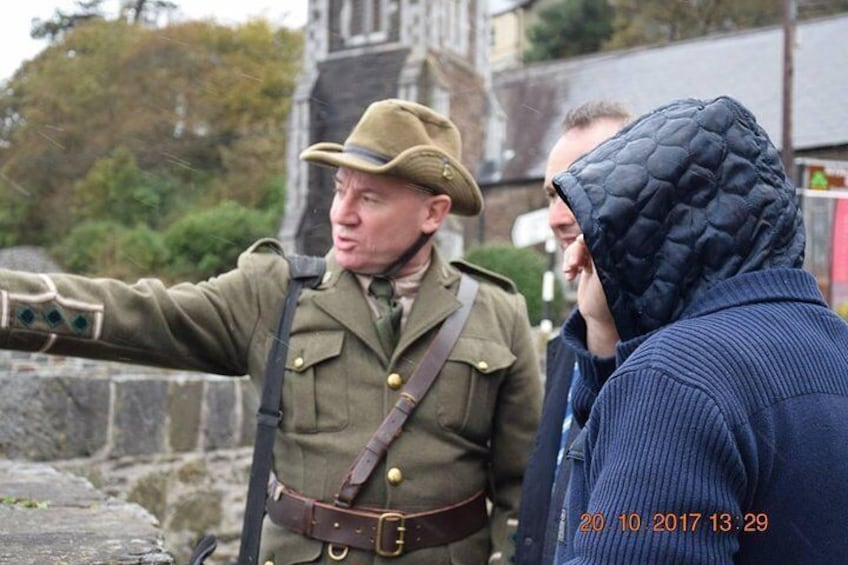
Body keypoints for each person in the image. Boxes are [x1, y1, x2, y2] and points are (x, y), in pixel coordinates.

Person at [0, 98, 542, 564]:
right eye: (340, 190)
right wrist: (9, 304)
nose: (342, 214)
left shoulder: (496, 311)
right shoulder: (276, 292)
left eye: (369, 198)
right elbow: (142, 313)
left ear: (433, 213)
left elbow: (524, 487)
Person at [551, 95, 848, 563]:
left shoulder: (672, 378)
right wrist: (605, 332)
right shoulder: (835, 345)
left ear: (652, 238)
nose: (578, 250)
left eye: (602, 230)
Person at [514, 101, 630, 565]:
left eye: (578, 187)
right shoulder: (569, 343)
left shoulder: (682, 343)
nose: (556, 217)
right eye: (550, 194)